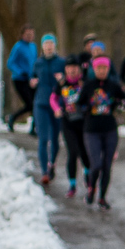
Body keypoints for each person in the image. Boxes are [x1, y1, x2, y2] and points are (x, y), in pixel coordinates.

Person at [76, 56, 125, 210]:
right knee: (96, 164)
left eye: (104, 68)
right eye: (99, 68)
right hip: (91, 130)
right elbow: (79, 104)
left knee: (107, 165)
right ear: (94, 69)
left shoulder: (113, 85)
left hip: (110, 129)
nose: (102, 71)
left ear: (108, 69)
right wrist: (84, 110)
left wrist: (121, 103)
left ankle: (102, 197)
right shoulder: (89, 85)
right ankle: (91, 189)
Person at [51, 58, 90, 198]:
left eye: (74, 67)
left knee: (85, 152)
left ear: (79, 69)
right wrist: (56, 109)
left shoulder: (85, 82)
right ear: (66, 69)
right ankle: (72, 185)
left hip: (84, 121)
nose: (72, 71)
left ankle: (87, 175)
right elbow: (53, 98)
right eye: (69, 68)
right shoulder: (62, 83)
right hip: (67, 122)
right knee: (73, 152)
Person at [30, 34, 65, 181]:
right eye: (46, 44)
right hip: (41, 103)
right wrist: (32, 82)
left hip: (56, 104)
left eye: (51, 43)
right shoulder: (38, 63)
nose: (49, 46)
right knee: (43, 138)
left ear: (55, 46)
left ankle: (52, 164)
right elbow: (32, 78)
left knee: (55, 139)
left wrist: (62, 80)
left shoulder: (62, 62)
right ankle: (44, 171)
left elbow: (68, 81)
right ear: (42, 46)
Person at [5, 25, 37, 132]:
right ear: (22, 35)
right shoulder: (18, 46)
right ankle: (13, 118)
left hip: (31, 79)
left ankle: (33, 127)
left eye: (31, 34)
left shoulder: (33, 46)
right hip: (20, 79)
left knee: (35, 103)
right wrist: (20, 71)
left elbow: (34, 62)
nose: (30, 36)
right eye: (27, 34)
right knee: (30, 104)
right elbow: (10, 63)